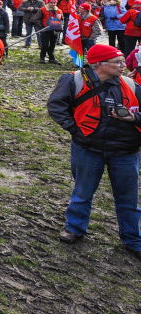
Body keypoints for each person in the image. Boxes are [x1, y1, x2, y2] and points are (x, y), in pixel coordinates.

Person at [46, 44, 141, 259]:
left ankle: (133, 239)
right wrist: (75, 130)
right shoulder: (74, 81)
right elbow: (56, 106)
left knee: (128, 199)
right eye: (117, 62)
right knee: (82, 192)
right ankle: (75, 228)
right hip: (88, 148)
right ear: (98, 64)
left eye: (122, 61)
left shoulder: (131, 85)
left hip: (126, 151)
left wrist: (133, 118)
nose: (123, 65)